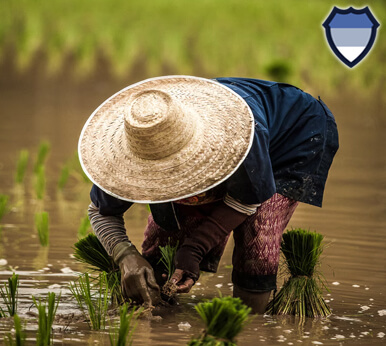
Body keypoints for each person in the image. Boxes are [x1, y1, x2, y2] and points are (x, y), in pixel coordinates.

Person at [78, 75, 339, 313]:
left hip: (291, 136)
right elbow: (100, 212)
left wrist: (196, 246)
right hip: (225, 132)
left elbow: (249, 199)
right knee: (168, 234)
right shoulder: (125, 156)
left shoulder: (238, 139)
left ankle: (246, 324)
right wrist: (126, 256)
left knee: (258, 236)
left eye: (175, 171)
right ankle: (157, 305)